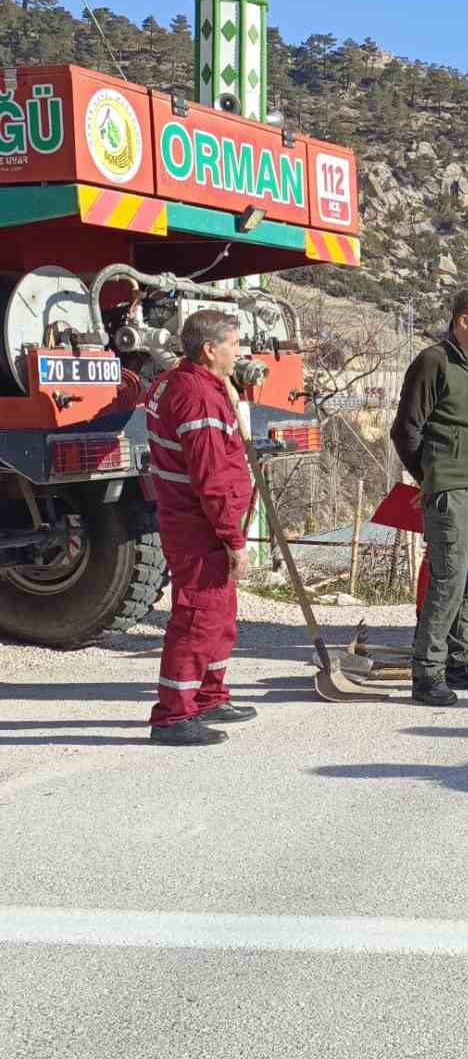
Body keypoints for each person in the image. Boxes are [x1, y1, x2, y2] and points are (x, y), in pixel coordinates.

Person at [391, 288, 468, 706]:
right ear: (463, 321)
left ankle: (463, 660)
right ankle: (427, 674)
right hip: (451, 491)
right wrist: (431, 477)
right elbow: (406, 431)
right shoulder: (433, 361)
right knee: (447, 584)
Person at [144, 310, 256, 746]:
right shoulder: (198, 396)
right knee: (197, 616)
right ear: (210, 349)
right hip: (200, 526)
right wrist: (233, 538)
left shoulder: (184, 383)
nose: (239, 353)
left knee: (219, 613)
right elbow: (211, 477)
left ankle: (210, 694)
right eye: (234, 345)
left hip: (198, 520)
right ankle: (173, 716)